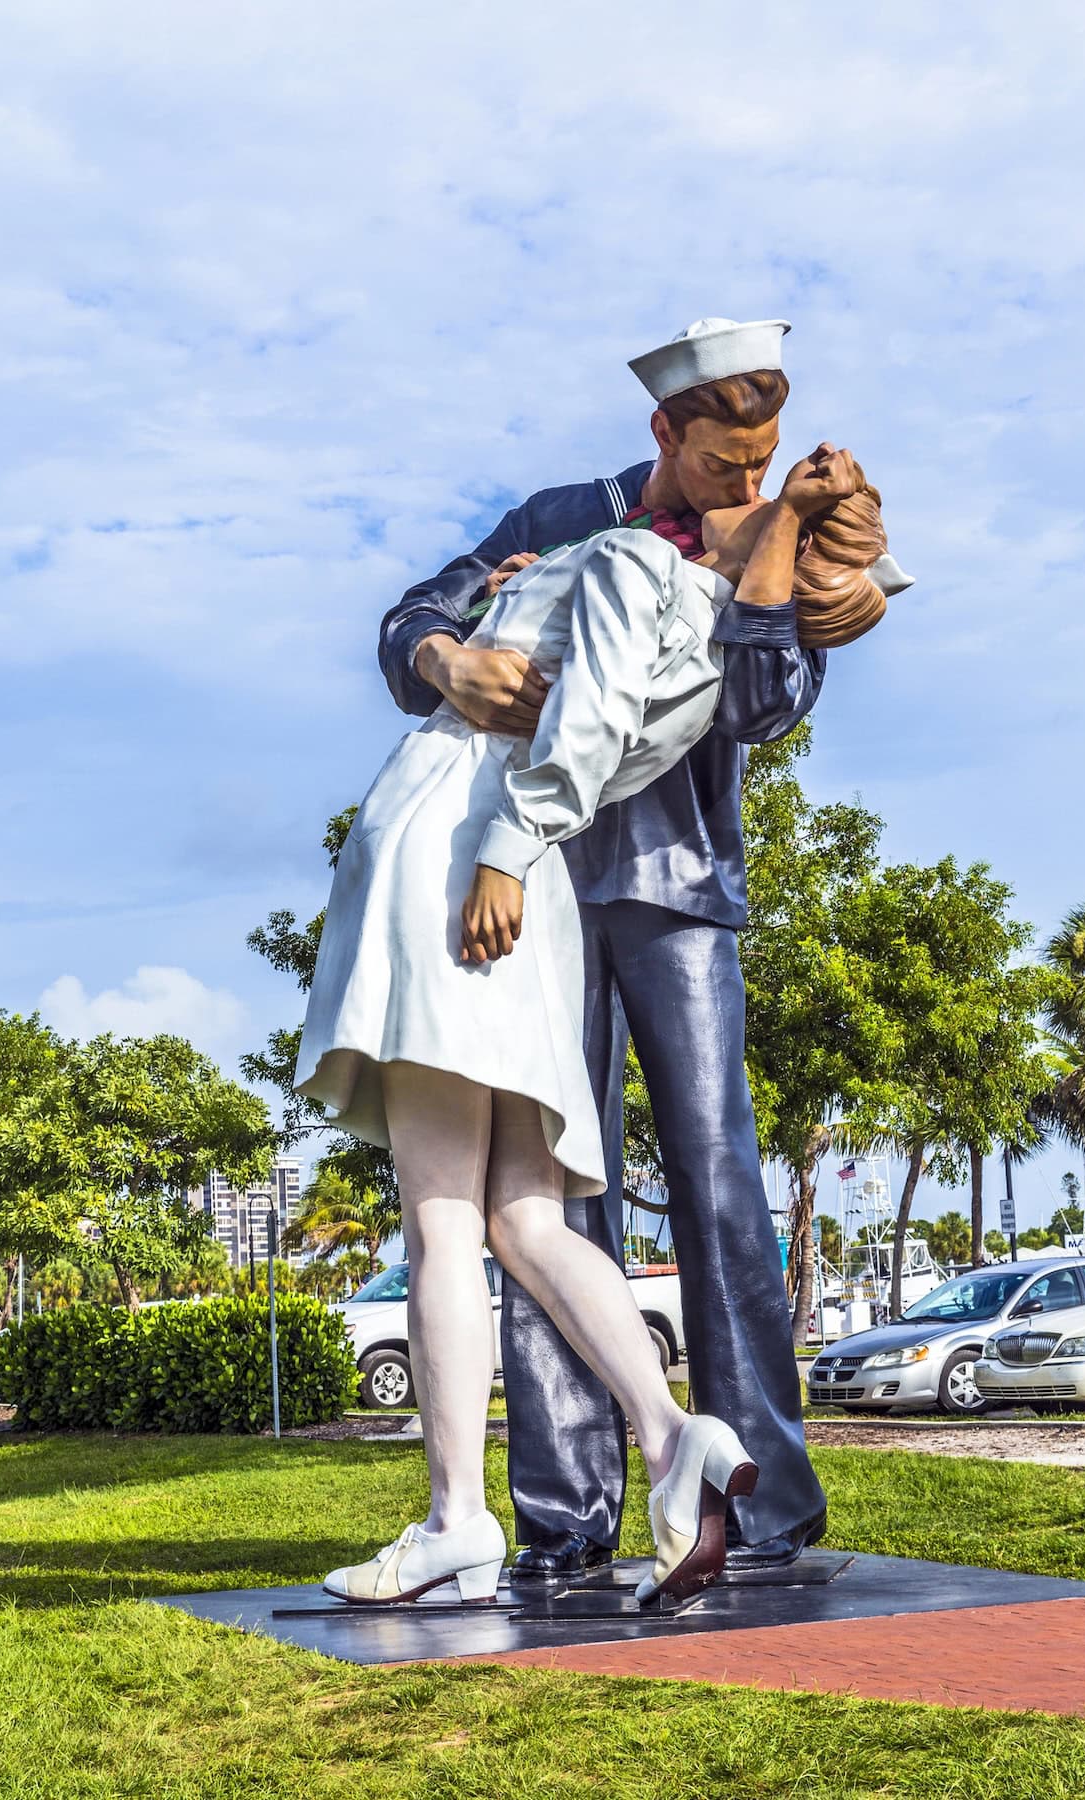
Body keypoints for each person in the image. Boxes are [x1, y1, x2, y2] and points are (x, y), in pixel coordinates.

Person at [297, 446, 906, 1607]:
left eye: (766, 449)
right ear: (669, 423)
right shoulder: (569, 518)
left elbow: (766, 708)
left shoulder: (775, 537)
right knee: (546, 1199)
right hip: (526, 882)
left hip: (648, 879)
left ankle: (752, 1494)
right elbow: (414, 617)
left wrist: (791, 601)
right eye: (726, 438)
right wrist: (448, 659)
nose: (748, 464)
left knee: (709, 1177)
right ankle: (565, 1511)